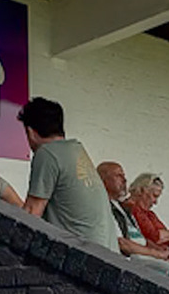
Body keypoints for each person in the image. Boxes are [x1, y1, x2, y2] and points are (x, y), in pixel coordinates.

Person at [18, 98, 118, 250]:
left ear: (30, 132)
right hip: (108, 254)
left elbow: (31, 213)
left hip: (84, 258)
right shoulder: (75, 149)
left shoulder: (47, 153)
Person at [98, 162, 169, 265]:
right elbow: (123, 243)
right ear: (103, 180)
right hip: (130, 260)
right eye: (119, 175)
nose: (125, 180)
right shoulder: (104, 206)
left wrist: (160, 250)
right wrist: (157, 253)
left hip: (142, 255)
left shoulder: (123, 208)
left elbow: (142, 238)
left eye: (124, 176)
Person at [124, 172, 169, 252]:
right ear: (141, 191)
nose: (155, 202)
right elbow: (155, 237)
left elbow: (163, 234)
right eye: (155, 196)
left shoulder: (149, 214)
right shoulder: (132, 209)